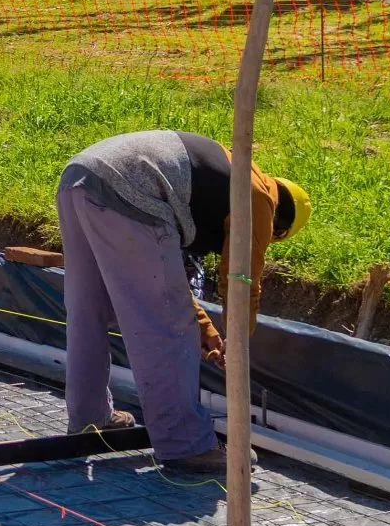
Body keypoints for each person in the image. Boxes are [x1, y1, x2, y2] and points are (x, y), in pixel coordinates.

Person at [55, 130, 310, 476]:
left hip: (79, 177)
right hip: (129, 192)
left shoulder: (226, 175)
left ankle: (90, 419)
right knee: (168, 329)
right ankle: (186, 444)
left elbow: (166, 280)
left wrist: (206, 329)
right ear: (280, 227)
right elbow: (241, 281)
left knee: (89, 311)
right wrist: (237, 343)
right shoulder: (260, 199)